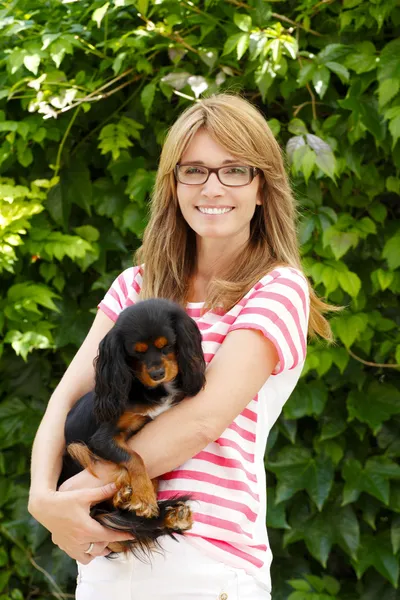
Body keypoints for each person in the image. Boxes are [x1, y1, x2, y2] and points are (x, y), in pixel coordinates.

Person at [28, 93, 335, 599]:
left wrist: (74, 496)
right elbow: (63, 401)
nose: (212, 187)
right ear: (172, 186)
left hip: (205, 559)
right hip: (108, 560)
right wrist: (42, 500)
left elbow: (201, 421)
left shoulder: (277, 288)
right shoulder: (134, 287)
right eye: (194, 170)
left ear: (263, 188)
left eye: (234, 170)